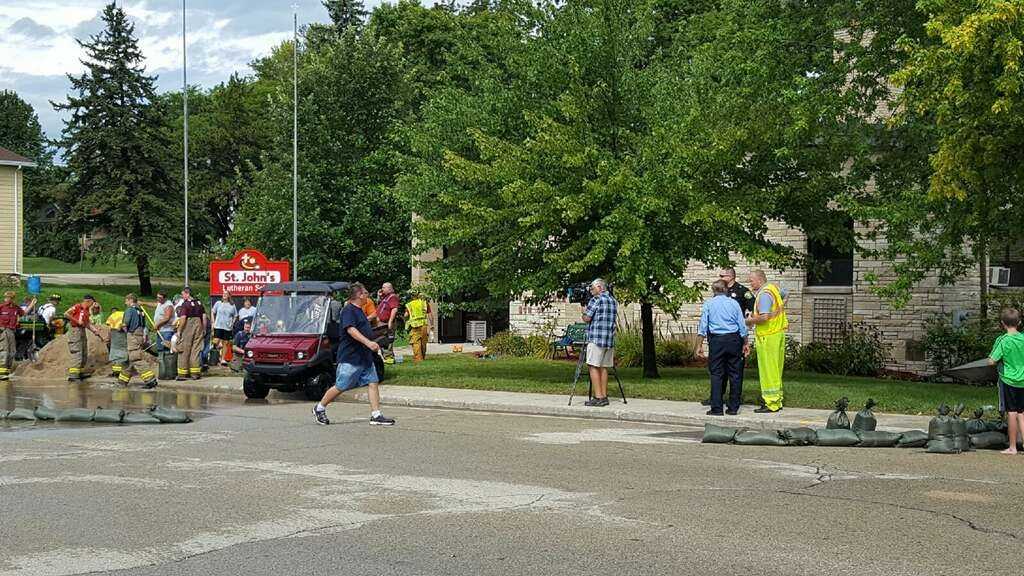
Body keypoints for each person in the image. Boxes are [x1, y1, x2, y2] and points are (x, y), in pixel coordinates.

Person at [312, 282, 395, 426]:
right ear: (359, 295)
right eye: (366, 293)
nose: (367, 296)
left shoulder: (359, 310)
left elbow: (364, 329)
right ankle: (319, 408)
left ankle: (376, 415)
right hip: (351, 357)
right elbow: (351, 330)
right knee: (341, 386)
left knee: (373, 382)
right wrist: (368, 343)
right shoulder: (348, 310)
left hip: (364, 357)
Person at [696, 280, 750, 416]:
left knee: (716, 374)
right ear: (726, 290)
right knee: (735, 374)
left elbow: (703, 326)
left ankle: (717, 408)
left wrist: (699, 345)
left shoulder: (709, 304)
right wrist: (745, 342)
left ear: (714, 291)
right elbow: (742, 325)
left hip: (717, 340)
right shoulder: (734, 303)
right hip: (734, 339)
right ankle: (733, 407)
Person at [746, 270, 788, 413]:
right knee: (776, 369)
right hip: (778, 333)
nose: (750, 283)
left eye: (751, 280)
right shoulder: (773, 289)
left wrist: (749, 320)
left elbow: (763, 318)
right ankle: (777, 400)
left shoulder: (764, 295)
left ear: (759, 280)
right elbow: (785, 294)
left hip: (767, 336)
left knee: (768, 370)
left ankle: (771, 403)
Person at [988, 308, 1024, 454]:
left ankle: (1013, 447)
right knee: (1022, 412)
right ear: (1019, 322)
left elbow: (992, 361)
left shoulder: (1002, 340)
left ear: (1002, 324)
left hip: (1009, 380)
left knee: (1012, 412)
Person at [581, 278, 618, 407]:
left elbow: (587, 318)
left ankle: (598, 396)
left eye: (593, 288)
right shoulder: (613, 301)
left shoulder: (596, 300)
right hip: (608, 339)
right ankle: (604, 396)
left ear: (601, 288)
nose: (591, 291)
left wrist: (583, 310)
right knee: (604, 367)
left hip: (596, 338)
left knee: (593, 366)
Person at [64, 294, 105, 381]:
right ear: (88, 301)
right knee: (77, 351)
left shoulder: (86, 311)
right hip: (75, 330)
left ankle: (80, 371)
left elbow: (86, 323)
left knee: (84, 351)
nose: (93, 305)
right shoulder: (77, 307)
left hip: (82, 330)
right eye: (93, 303)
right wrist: (76, 321)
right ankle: (73, 375)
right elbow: (66, 314)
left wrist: (94, 331)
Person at [119, 293, 157, 388]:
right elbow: (144, 326)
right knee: (129, 360)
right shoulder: (141, 311)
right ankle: (122, 381)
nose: (125, 303)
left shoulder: (130, 310)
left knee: (135, 358)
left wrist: (123, 330)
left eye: (126, 300)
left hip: (132, 335)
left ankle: (150, 380)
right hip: (140, 335)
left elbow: (125, 324)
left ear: (131, 300)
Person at [175, 286, 206, 380]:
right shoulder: (199, 303)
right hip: (199, 325)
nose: (182, 296)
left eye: (183, 294)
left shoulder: (185, 304)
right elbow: (204, 317)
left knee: (184, 350)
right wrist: (203, 329)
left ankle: (182, 374)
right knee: (195, 350)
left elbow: (183, 318)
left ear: (187, 294)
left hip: (188, 327)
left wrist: (179, 331)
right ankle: (195, 373)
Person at [0, 291, 30, 381]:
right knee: (4, 350)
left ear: (13, 299)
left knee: (12, 351)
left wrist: (32, 304)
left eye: (9, 298)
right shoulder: (1, 307)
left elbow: (24, 313)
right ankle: (1, 372)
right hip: (3, 330)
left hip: (12, 331)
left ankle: (6, 371)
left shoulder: (16, 308)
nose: (7, 299)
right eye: (6, 298)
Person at [211, 292, 237, 366]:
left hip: (227, 327)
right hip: (218, 325)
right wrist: (213, 322)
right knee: (216, 341)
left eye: (226, 294)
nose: (224, 295)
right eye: (223, 294)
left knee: (225, 343)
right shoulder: (218, 303)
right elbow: (213, 312)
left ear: (229, 295)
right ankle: (216, 356)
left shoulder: (232, 305)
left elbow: (235, 315)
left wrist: (232, 323)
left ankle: (222, 359)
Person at [404, 291, 431, 362]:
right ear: (419, 296)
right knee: (423, 342)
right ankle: (423, 356)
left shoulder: (409, 305)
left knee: (415, 342)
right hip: (424, 325)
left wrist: (405, 319)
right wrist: (432, 325)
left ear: (412, 297)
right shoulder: (424, 303)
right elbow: (430, 315)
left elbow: (406, 315)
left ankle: (418, 358)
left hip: (414, 326)